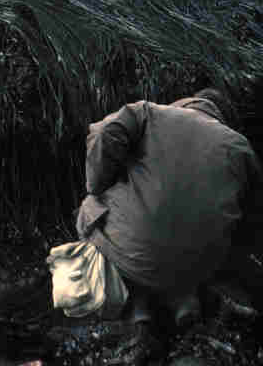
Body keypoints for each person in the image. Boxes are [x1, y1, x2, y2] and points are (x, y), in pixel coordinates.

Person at [75, 88, 262, 365]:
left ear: (185, 104)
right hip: (201, 267)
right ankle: (186, 302)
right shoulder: (240, 146)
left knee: (88, 209)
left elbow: (105, 133)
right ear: (219, 117)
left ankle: (138, 317)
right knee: (193, 237)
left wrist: (97, 183)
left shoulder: (150, 113)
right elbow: (252, 223)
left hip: (136, 257)